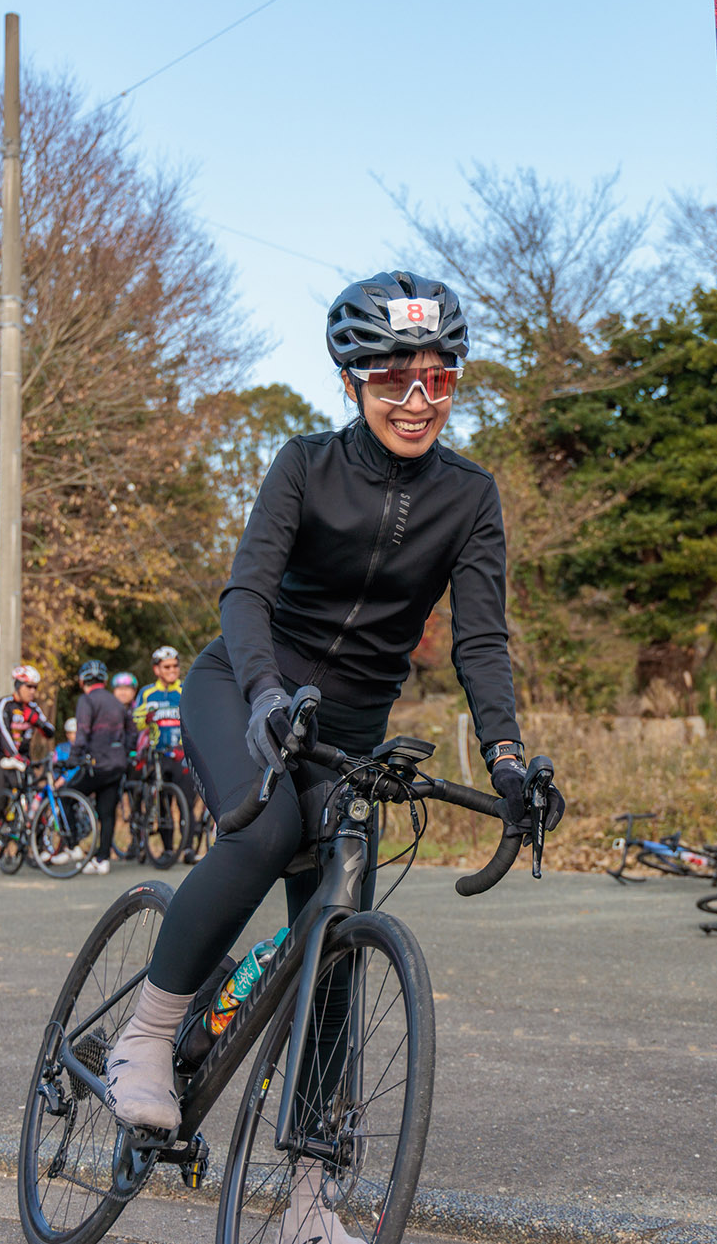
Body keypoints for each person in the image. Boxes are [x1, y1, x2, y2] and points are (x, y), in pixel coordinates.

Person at [103, 272, 563, 1242]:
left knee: (337, 946)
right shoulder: (305, 465)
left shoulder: (470, 497)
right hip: (246, 689)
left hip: (349, 734)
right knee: (264, 827)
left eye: (439, 379)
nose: (417, 400)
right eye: (393, 378)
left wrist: (509, 760)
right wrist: (267, 694)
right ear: (351, 381)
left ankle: (310, 1200)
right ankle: (144, 1036)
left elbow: (482, 642)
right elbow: (245, 594)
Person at [0, 663, 56, 869]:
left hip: (25, 761)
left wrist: (38, 722)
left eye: (35, 687)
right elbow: (3, 732)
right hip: (2, 760)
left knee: (34, 803)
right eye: (28, 687)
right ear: (18, 686)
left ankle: (40, 847)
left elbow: (50, 731)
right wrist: (14, 755)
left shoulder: (33, 708)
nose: (32, 691)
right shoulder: (4, 705)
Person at [133, 646, 200, 861]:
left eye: (175, 666)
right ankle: (168, 849)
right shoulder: (147, 693)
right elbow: (137, 722)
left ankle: (188, 849)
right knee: (162, 804)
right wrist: (145, 718)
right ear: (157, 669)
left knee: (186, 803)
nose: (172, 670)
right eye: (167, 667)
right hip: (158, 755)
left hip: (183, 755)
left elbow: (198, 718)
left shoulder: (186, 689)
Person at [70, 659, 136, 876]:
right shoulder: (116, 702)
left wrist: (73, 757)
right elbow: (132, 731)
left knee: (66, 796)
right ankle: (103, 859)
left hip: (96, 765)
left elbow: (82, 732)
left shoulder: (86, 700)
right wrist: (125, 752)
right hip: (117, 765)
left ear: (82, 681)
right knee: (106, 812)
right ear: (105, 681)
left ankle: (72, 846)